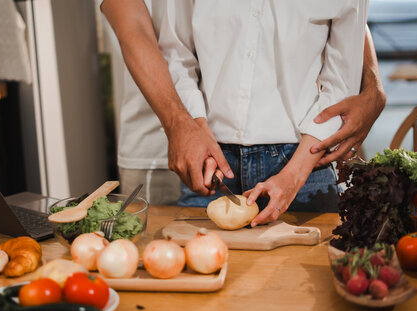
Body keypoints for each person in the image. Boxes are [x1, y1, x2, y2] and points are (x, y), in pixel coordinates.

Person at [100, 0, 384, 221]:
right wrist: (191, 125)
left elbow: (341, 77)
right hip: (211, 158)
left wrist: (295, 173)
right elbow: (175, 50)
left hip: (303, 161)